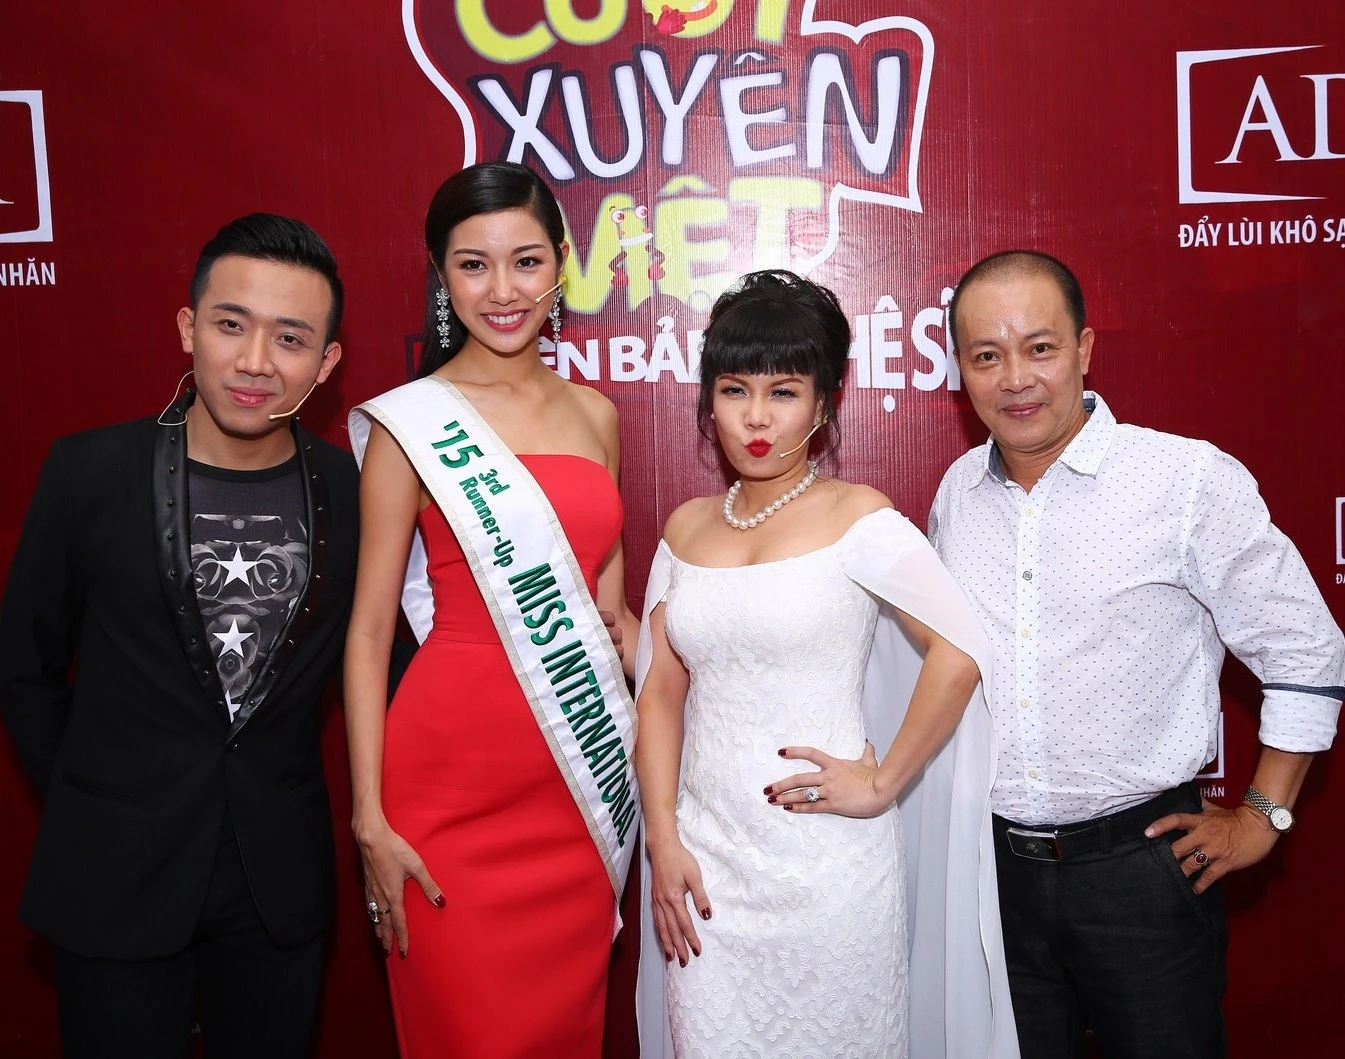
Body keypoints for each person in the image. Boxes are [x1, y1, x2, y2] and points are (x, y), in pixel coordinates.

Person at [929, 250, 1345, 1059]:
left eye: (1039, 347)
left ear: (1084, 349)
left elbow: (1305, 647)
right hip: (993, 878)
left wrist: (1264, 814)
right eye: (985, 355)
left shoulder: (1183, 479)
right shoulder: (956, 493)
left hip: (1143, 874)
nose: (1014, 378)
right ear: (960, 371)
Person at [633, 269, 1018, 1059]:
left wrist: (880, 783)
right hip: (706, 871)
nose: (755, 417)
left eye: (782, 392)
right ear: (708, 401)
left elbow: (958, 653)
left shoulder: (859, 518)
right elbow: (661, 695)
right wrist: (662, 840)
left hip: (829, 871)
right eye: (734, 391)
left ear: (821, 404)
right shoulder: (684, 529)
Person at [0, 214, 358, 1058]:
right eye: (232, 324)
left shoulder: (349, 486)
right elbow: (24, 667)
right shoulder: (90, 472)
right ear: (188, 327)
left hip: (275, 885)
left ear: (327, 363)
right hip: (115, 874)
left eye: (291, 338)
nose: (255, 361)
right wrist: (101, 798)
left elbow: (388, 657)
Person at [344, 160, 641, 1058]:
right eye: (473, 265)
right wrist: (369, 817)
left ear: (561, 265)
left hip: (575, 785)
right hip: (445, 793)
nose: (503, 290)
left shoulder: (596, 416)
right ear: (442, 275)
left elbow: (607, 621)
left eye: (526, 261)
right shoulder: (411, 423)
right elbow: (368, 632)